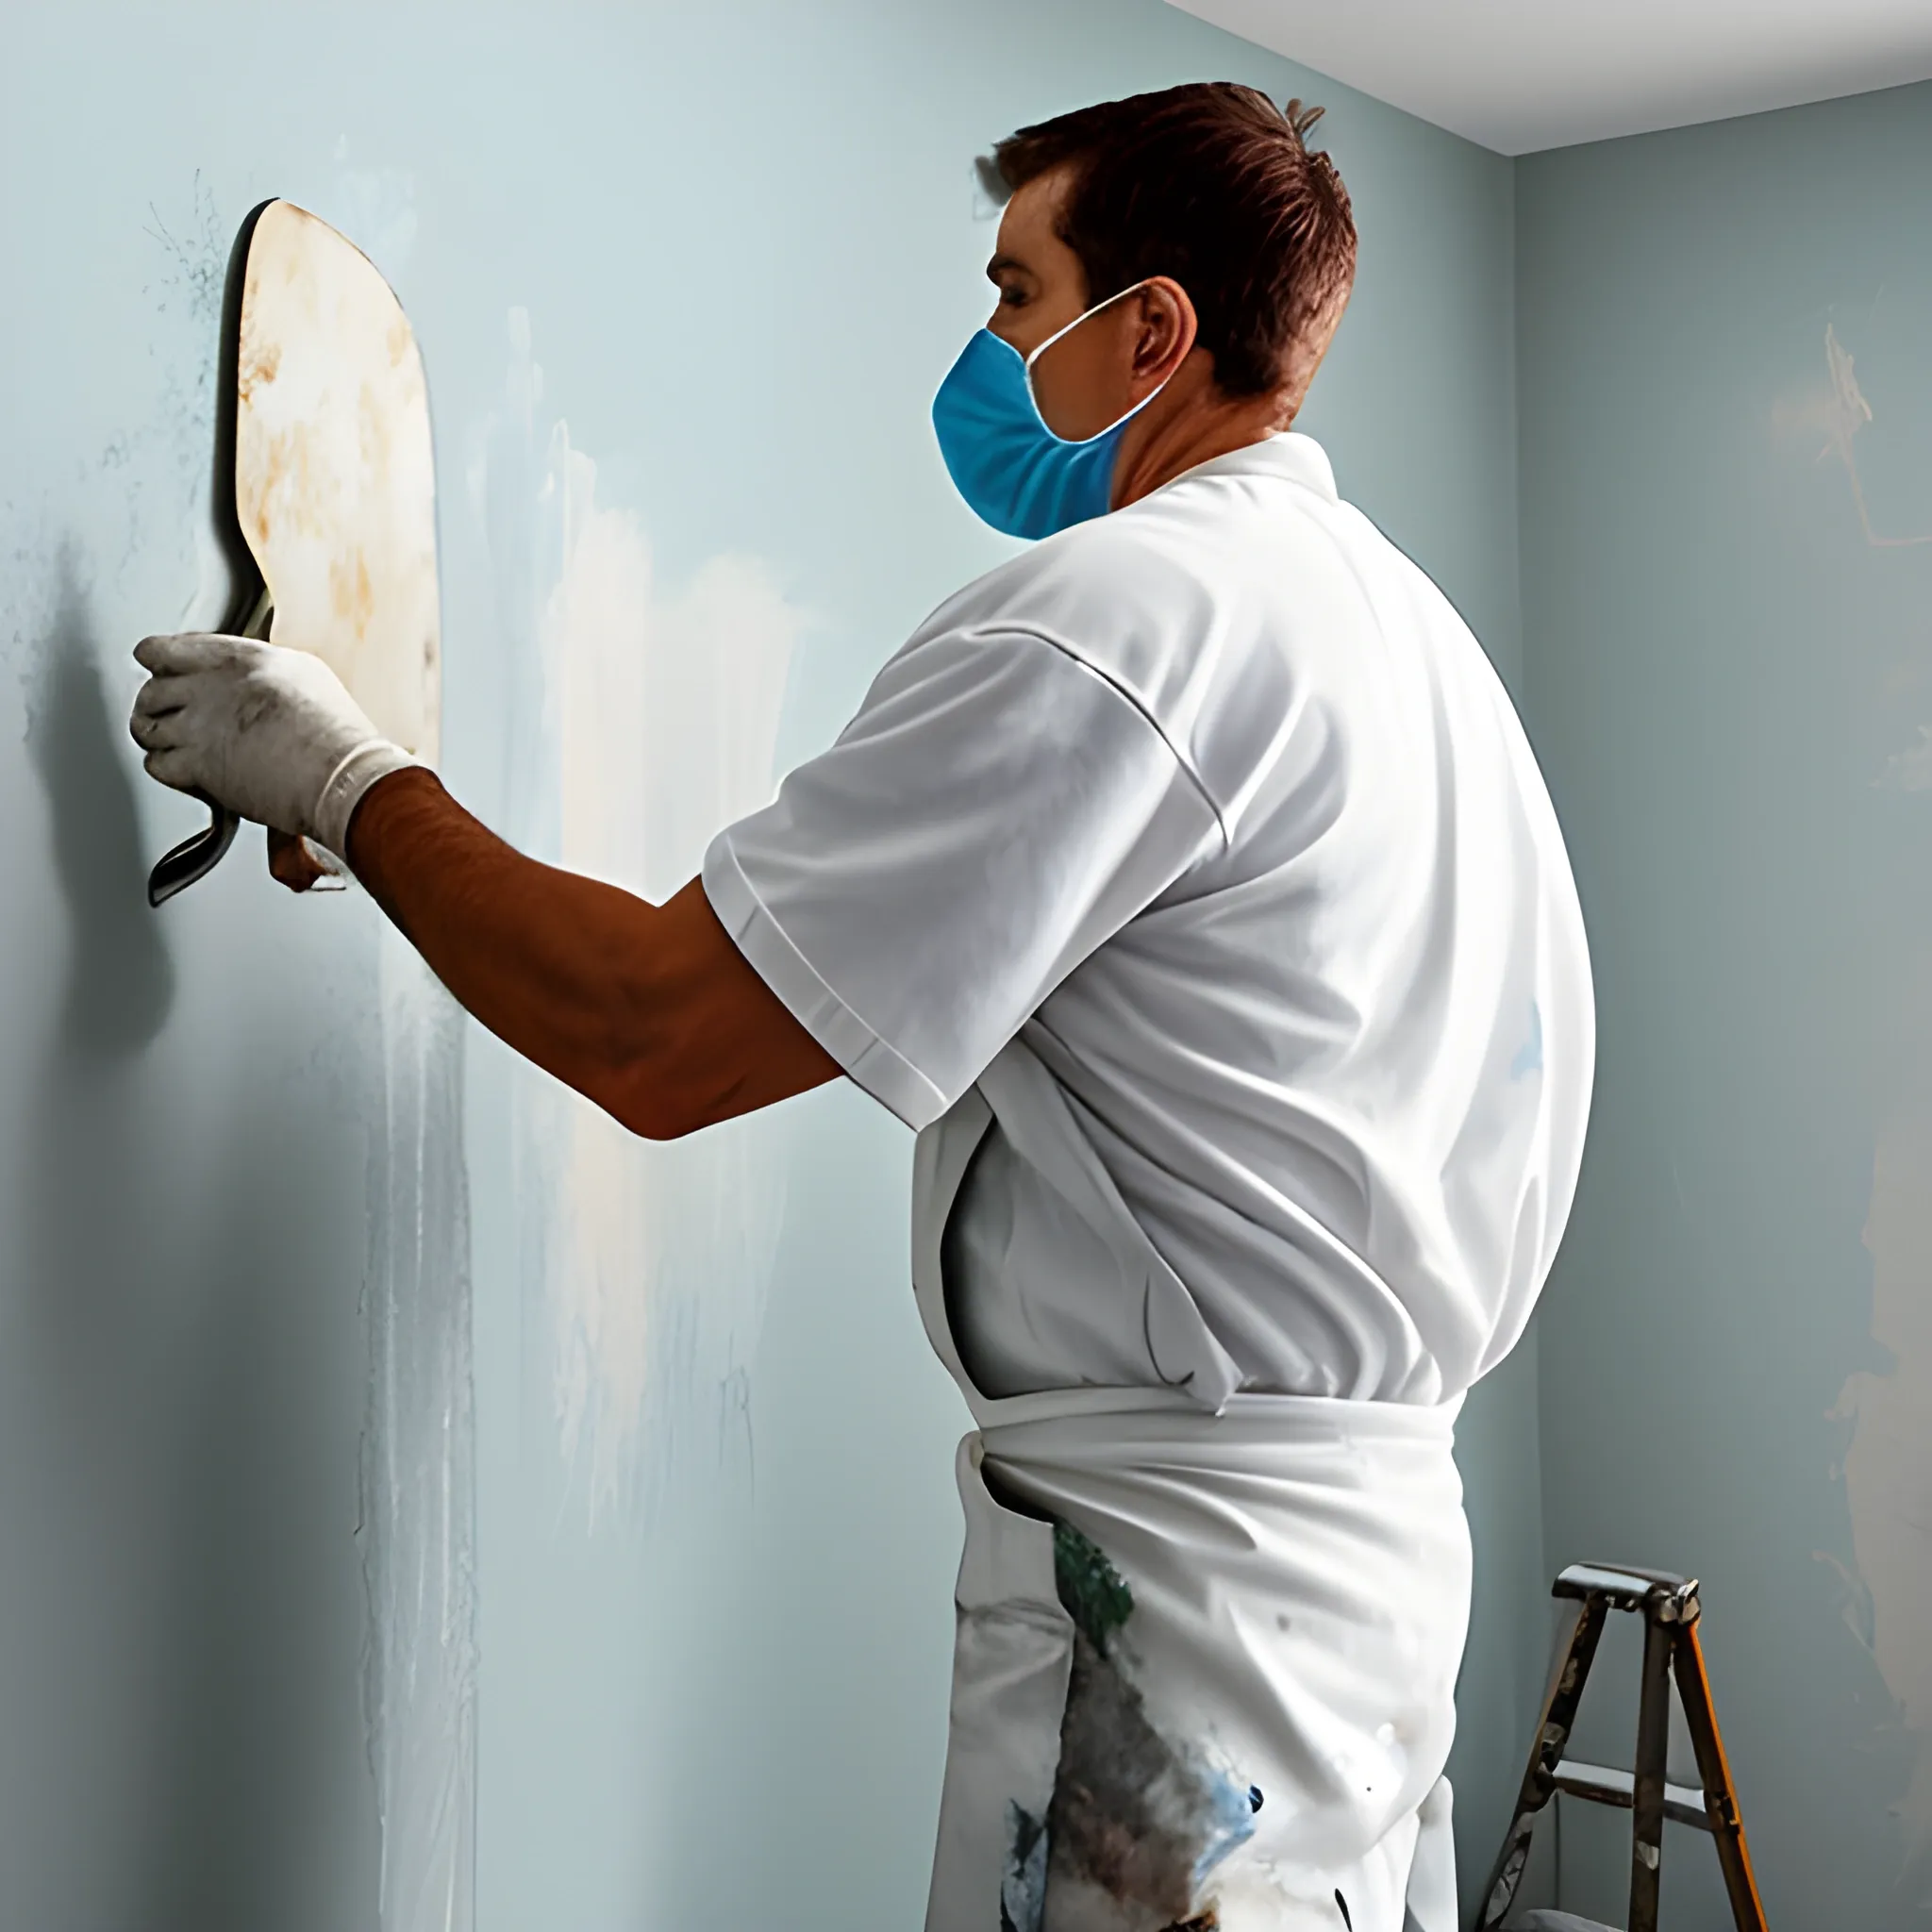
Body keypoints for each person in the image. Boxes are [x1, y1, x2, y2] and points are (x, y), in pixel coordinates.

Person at [130, 83, 1592, 1932]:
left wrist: (345, 777)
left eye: (1013, 294)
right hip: (1374, 1600)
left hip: (1174, 1623)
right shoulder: (1420, 657)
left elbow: (658, 1030)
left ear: (1147, 332)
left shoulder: (1119, 621)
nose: (984, 351)